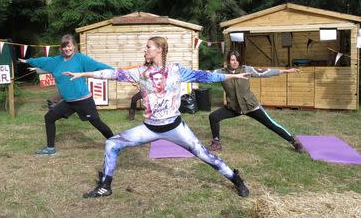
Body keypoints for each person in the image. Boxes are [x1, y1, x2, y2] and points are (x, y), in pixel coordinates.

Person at [64, 36, 251, 198]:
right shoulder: (140, 72)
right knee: (112, 143)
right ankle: (105, 187)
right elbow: (112, 73)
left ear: (159, 49)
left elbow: (204, 76)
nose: (145, 50)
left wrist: (232, 76)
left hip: (175, 128)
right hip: (149, 128)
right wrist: (83, 73)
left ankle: (236, 179)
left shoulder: (176, 70)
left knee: (205, 155)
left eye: (148, 47)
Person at [18, 34, 114, 156]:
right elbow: (43, 61)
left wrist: (115, 72)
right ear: (61, 48)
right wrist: (28, 61)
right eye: (64, 47)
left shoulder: (80, 59)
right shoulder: (57, 61)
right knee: (49, 118)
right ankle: (50, 149)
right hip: (68, 102)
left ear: (74, 46)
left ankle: (116, 143)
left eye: (69, 46)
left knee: (97, 123)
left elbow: (98, 66)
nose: (67, 49)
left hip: (83, 101)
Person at [208, 50, 304, 153]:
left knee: (270, 123)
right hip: (234, 107)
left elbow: (265, 72)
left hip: (250, 106)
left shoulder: (246, 69)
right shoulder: (221, 72)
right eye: (232, 60)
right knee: (213, 117)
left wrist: (286, 71)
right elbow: (205, 75)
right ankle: (216, 141)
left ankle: (293, 141)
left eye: (237, 60)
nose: (235, 62)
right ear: (228, 61)